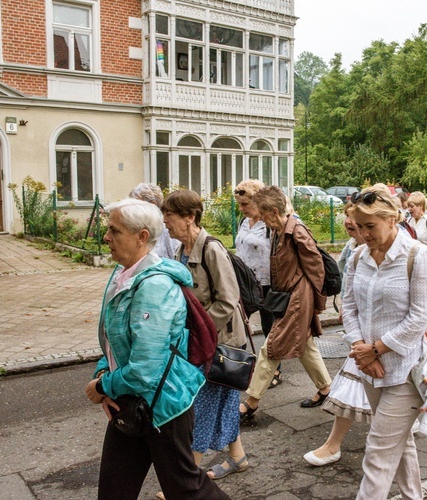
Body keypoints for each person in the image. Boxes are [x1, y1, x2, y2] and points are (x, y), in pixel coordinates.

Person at [84, 198, 227, 499]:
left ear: (142, 237)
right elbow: (116, 343)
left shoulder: (154, 287)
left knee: (186, 490)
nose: (106, 237)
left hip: (162, 407)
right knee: (113, 491)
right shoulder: (123, 274)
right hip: (129, 399)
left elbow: (146, 368)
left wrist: (101, 386)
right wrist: (103, 371)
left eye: (114, 231)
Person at [340, 184, 427, 498]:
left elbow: (420, 316)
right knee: (399, 441)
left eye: (371, 226)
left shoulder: (417, 255)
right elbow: (349, 305)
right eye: (360, 227)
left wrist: (374, 350)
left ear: (392, 219)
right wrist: (360, 349)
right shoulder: (357, 257)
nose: (365, 234)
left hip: (406, 369)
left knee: (379, 450)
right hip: (370, 367)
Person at [161, 189, 249, 481]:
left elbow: (229, 298)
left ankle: (188, 477)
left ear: (189, 217)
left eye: (169, 215)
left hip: (217, 342)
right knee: (221, 400)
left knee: (201, 407)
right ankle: (238, 456)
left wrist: (201, 329)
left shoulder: (210, 249)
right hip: (198, 342)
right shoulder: (180, 250)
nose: (165, 222)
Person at [239, 186, 332, 419]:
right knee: (305, 345)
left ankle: (251, 401)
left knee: (271, 347)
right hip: (288, 297)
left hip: (298, 298)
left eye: (262, 212)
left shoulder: (296, 232)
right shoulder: (278, 231)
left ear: (272, 211)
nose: (259, 216)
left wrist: (316, 304)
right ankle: (325, 388)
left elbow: (316, 269)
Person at [304, 205, 372, 467]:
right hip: (364, 340)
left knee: (396, 410)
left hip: (395, 346)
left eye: (367, 224)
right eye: (352, 219)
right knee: (351, 388)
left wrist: (380, 347)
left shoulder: (410, 251)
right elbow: (350, 295)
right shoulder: (356, 251)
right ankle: (333, 445)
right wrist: (357, 339)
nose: (351, 223)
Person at [234, 180, 282, 388]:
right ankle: (243, 364)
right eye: (240, 204)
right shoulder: (244, 222)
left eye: (245, 204)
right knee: (239, 323)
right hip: (244, 282)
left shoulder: (269, 224)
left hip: (266, 283)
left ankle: (274, 370)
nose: (241, 208)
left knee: (269, 326)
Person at [128, 183, 180, 259]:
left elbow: (177, 262)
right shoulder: (137, 226)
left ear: (153, 205)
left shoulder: (167, 228)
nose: (132, 211)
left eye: (137, 206)